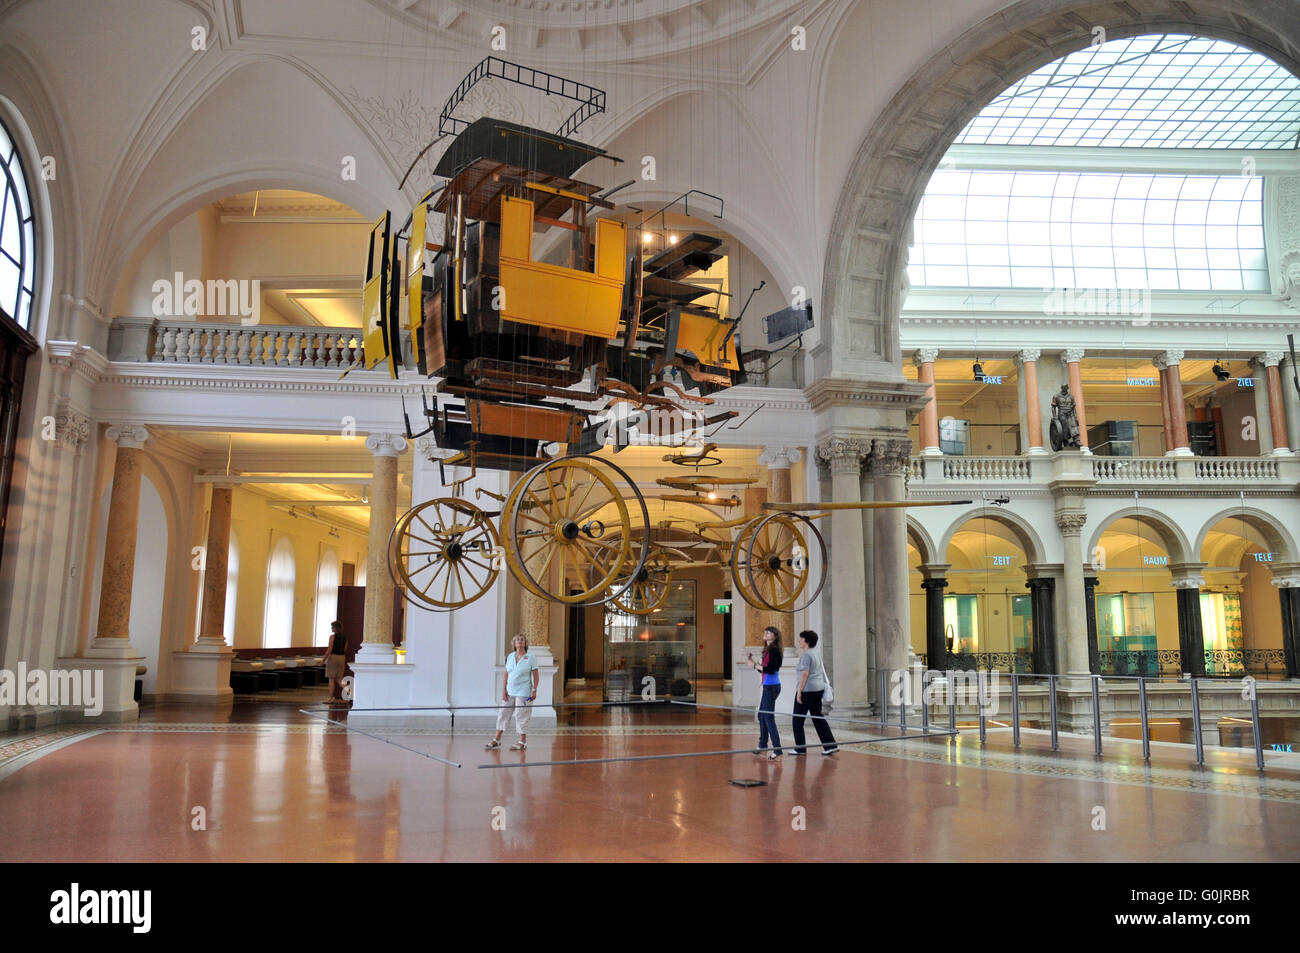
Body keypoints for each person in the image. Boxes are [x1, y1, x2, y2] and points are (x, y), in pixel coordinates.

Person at [485, 634, 539, 751]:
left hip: (524, 692)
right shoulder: (510, 657)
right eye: (517, 640)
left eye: (522, 639)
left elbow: (535, 675)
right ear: (514, 644)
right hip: (510, 691)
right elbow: (506, 674)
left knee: (521, 715)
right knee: (503, 713)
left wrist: (534, 690)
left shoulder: (531, 657)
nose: (519, 641)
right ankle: (497, 739)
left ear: (525, 643)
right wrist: (503, 690)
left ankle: (522, 742)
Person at [792, 630, 838, 756]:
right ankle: (830, 745)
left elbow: (805, 674)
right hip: (818, 689)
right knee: (818, 717)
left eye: (801, 639)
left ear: (806, 641)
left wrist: (799, 691)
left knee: (797, 719)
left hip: (807, 690)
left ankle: (800, 748)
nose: (799, 641)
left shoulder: (806, 655)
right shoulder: (816, 652)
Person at [746, 625, 783, 760]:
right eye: (765, 631)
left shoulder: (774, 650)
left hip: (771, 686)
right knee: (762, 716)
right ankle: (762, 745)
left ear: (775, 636)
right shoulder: (767, 650)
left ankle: (777, 749)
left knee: (768, 717)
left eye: (770, 632)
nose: (766, 633)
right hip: (768, 685)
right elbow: (764, 669)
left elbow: (771, 669)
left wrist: (755, 665)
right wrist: (753, 663)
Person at [325, 620, 348, 704]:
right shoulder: (345, 637)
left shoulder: (332, 637)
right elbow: (345, 649)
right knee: (339, 679)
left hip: (333, 657)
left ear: (336, 628)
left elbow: (329, 649)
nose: (331, 629)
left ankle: (331, 698)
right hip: (342, 657)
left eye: (332, 627)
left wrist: (324, 659)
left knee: (331, 679)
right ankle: (350, 693)